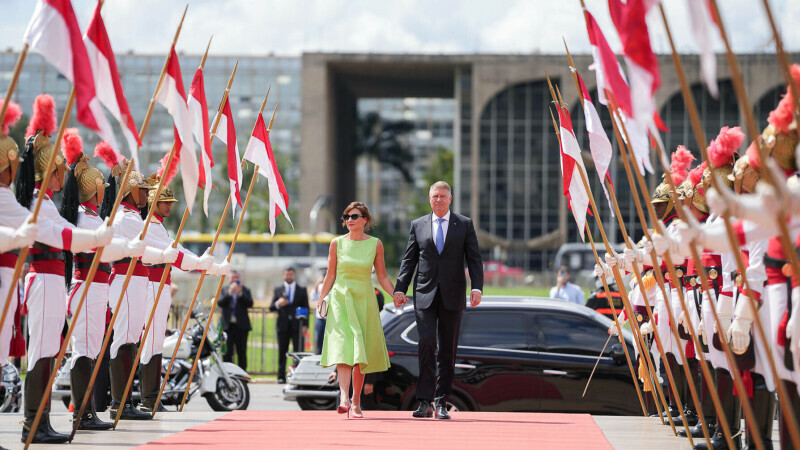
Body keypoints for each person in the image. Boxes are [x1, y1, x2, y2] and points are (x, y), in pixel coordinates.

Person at [394, 181, 484, 420]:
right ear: (429, 199)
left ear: (450, 199)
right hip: (424, 293)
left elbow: (474, 259)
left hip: (453, 295)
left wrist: (477, 287)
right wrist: (400, 289)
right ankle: (424, 401)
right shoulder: (418, 225)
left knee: (447, 349)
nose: (438, 200)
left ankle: (441, 400)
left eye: (443, 196)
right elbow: (409, 260)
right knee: (426, 343)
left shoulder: (464, 224)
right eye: (434, 196)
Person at [318, 202, 394, 419]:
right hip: (340, 300)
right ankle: (344, 398)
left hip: (364, 300)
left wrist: (396, 294)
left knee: (359, 353)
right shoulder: (336, 243)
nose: (349, 220)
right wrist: (321, 299)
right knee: (343, 348)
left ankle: (357, 402)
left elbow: (382, 276)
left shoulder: (375, 244)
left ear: (365, 220)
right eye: (347, 216)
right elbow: (330, 275)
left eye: (354, 216)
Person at [270, 267, 308, 383]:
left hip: (297, 326)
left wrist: (305, 325)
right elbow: (271, 307)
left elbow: (306, 307)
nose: (289, 276)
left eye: (291, 274)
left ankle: (298, 375)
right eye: (287, 274)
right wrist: (278, 304)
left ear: (294, 275)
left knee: (298, 351)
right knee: (282, 351)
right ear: (283, 275)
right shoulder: (278, 289)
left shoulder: (302, 290)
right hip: (283, 326)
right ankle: (281, 376)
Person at [219, 271, 254, 371]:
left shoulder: (245, 290)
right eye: (232, 277)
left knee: (241, 352)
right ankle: (228, 373)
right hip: (227, 327)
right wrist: (230, 292)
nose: (235, 279)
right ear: (229, 279)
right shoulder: (224, 289)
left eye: (236, 277)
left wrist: (240, 294)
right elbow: (220, 303)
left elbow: (250, 303)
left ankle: (242, 374)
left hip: (241, 327)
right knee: (227, 352)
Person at [310, 271, 326, 354]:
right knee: (319, 341)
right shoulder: (320, 286)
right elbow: (313, 297)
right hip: (320, 318)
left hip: (330, 318)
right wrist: (317, 283)